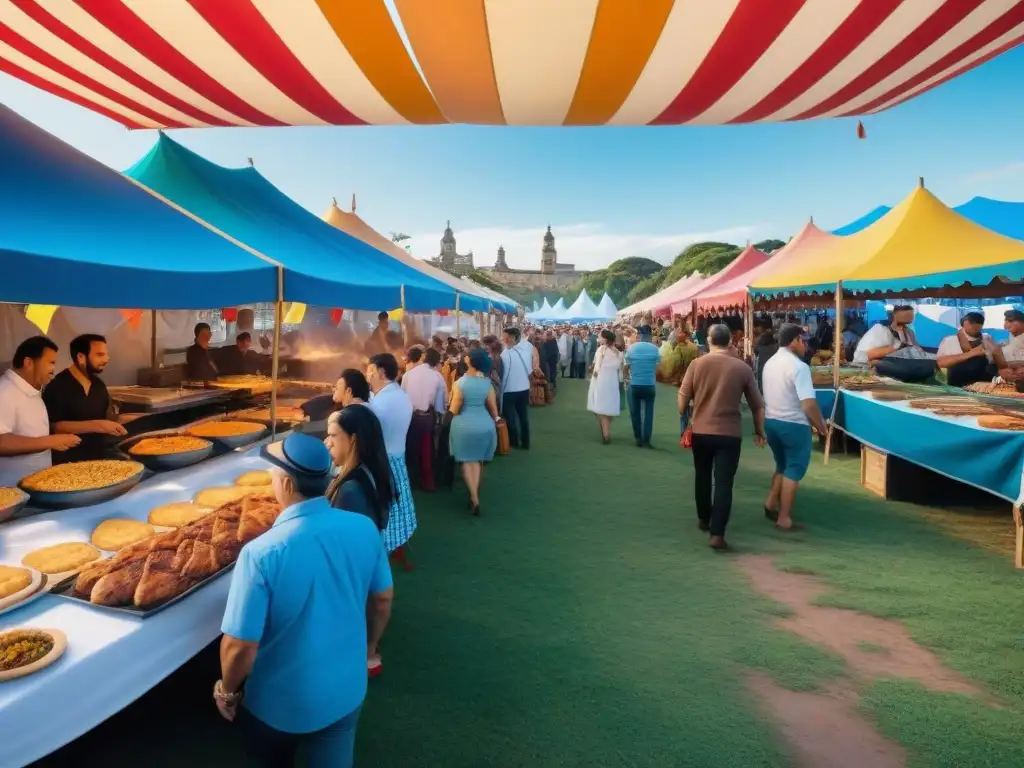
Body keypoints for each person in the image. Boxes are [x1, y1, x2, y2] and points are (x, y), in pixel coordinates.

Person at [217, 433, 393, 768]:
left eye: (271, 476)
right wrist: (369, 647)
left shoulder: (260, 553)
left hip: (278, 706)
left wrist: (227, 690)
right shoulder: (363, 528)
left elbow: (240, 646)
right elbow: (383, 599)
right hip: (347, 689)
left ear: (285, 484)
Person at [678, 325, 766, 550]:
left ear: (709, 340)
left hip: (701, 430)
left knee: (703, 475)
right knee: (725, 482)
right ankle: (717, 534)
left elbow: (683, 398)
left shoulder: (697, 364)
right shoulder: (742, 368)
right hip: (729, 433)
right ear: (729, 342)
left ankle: (704, 519)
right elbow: (757, 405)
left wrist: (685, 413)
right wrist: (759, 431)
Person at [761, 324, 829, 531]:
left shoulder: (770, 362)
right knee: (794, 468)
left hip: (771, 421)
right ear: (794, 341)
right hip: (793, 424)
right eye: (803, 340)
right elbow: (808, 403)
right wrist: (822, 426)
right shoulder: (799, 367)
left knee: (782, 464)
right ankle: (783, 517)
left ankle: (770, 503)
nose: (805, 345)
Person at [0, 336, 80, 486]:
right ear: (29, 363)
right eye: (50, 363)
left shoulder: (33, 390)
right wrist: (49, 441)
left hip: (34, 488)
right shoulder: (5, 392)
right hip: (12, 493)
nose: (53, 369)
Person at [42, 334, 126, 464]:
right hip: (67, 463)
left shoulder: (99, 385)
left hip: (99, 459)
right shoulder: (57, 386)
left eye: (106, 354)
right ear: (81, 357)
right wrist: (98, 426)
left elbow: (110, 419)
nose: (106, 359)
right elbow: (56, 427)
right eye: (100, 355)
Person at [367, 353, 417, 560]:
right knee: (395, 505)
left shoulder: (384, 401)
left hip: (385, 461)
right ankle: (395, 543)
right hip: (395, 458)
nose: (367, 376)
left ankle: (383, 547)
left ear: (380, 372)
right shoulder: (396, 395)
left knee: (386, 507)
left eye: (369, 371)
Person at [325, 406, 394, 532]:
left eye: (333, 435)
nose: (327, 443)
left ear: (352, 439)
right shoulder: (371, 471)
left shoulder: (349, 490)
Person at [449, 348, 499, 515]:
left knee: (466, 461)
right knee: (477, 461)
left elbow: (455, 408)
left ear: (469, 361)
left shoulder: (460, 383)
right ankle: (475, 493)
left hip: (464, 425)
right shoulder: (487, 383)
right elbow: (493, 409)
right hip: (484, 425)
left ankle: (474, 497)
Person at [401, 347, 446, 492]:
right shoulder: (437, 376)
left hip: (410, 417)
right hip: (427, 418)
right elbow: (440, 404)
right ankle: (428, 482)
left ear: (423, 358)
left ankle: (410, 482)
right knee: (426, 449)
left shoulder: (408, 374)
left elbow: (402, 397)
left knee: (409, 449)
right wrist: (439, 420)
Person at [936, 312, 1008, 387]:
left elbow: (997, 361)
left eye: (979, 322)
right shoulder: (950, 340)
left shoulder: (986, 337)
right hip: (959, 384)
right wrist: (972, 353)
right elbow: (940, 363)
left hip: (986, 383)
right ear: (964, 323)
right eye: (972, 323)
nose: (975, 326)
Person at [499, 327, 538, 450]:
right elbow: (534, 354)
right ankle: (526, 442)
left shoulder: (505, 355)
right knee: (523, 416)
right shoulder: (526, 348)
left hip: (509, 390)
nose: (503, 339)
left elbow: (504, 375)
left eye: (504, 337)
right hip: (524, 388)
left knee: (510, 417)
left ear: (511, 338)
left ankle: (514, 441)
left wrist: (500, 391)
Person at [623, 325, 661, 448]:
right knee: (649, 413)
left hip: (634, 384)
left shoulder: (631, 349)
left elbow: (625, 367)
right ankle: (646, 440)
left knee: (635, 412)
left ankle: (638, 437)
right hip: (649, 384)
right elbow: (659, 368)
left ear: (638, 336)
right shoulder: (655, 349)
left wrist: (626, 378)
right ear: (650, 336)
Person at [586, 329, 623, 444]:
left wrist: (593, 373)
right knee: (609, 406)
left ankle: (606, 433)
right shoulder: (618, 352)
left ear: (605, 339)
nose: (599, 338)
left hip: (601, 380)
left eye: (600, 336)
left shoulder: (601, 350)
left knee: (601, 407)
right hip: (613, 381)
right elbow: (620, 367)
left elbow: (597, 367)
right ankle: (605, 430)